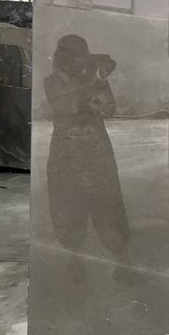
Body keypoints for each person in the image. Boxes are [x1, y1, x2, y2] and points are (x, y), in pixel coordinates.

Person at [45, 34, 130, 280]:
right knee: (68, 206)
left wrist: (99, 82)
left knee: (109, 204)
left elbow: (109, 108)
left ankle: (122, 262)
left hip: (96, 151)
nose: (82, 62)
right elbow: (68, 107)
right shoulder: (52, 82)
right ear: (65, 59)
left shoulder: (95, 78)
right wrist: (94, 81)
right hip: (66, 153)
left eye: (84, 56)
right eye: (78, 57)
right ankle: (75, 261)